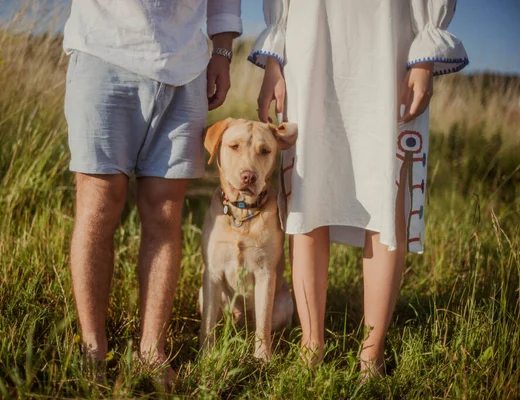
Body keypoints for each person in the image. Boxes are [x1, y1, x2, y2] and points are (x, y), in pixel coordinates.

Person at [251, 0, 467, 377]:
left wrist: (423, 59)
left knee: (385, 192)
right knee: (307, 193)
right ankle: (311, 348)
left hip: (388, 42)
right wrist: (274, 60)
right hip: (309, 41)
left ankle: (372, 354)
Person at [63, 0, 242, 381]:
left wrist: (222, 52)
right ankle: (93, 351)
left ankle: (152, 351)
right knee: (97, 204)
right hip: (103, 52)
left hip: (185, 66)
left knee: (165, 213)